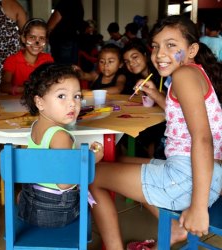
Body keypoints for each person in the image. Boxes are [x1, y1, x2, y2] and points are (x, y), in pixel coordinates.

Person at [88, 15, 222, 249]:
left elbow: (203, 138)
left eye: (171, 45)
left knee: (91, 174)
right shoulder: (192, 73)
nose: (159, 54)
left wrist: (199, 208)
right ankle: (172, 229)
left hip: (189, 179)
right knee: (116, 159)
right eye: (156, 46)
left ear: (191, 50)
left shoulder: (183, 76)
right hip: (207, 173)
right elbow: (181, 111)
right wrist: (156, 94)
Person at [20, 62, 104, 227]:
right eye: (61, 96)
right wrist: (92, 160)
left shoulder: (36, 127)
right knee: (97, 187)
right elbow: (65, 183)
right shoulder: (60, 136)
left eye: (77, 96)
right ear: (40, 102)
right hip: (55, 212)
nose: (73, 103)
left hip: (28, 205)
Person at [122, 40, 167, 159]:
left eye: (135, 57)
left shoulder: (161, 74)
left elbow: (168, 101)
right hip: (144, 120)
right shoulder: (132, 79)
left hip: (163, 123)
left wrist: (155, 92)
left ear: (146, 56)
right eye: (127, 61)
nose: (131, 63)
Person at [0, 18, 54, 96]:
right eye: (32, 37)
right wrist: (28, 89)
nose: (37, 42)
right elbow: (4, 86)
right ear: (23, 39)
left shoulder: (48, 59)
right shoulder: (12, 60)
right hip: (17, 103)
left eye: (41, 38)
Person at [47, 0, 84, 65]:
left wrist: (45, 34)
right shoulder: (79, 4)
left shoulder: (65, 3)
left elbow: (51, 24)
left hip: (62, 41)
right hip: (73, 40)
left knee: (61, 68)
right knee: (71, 68)